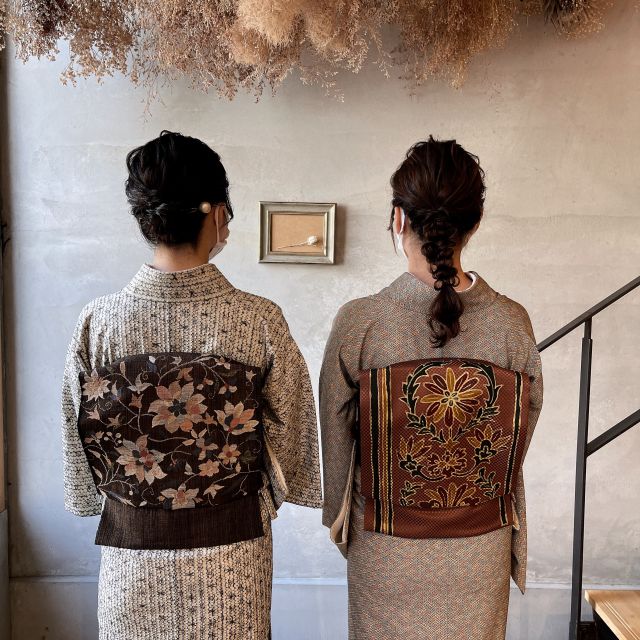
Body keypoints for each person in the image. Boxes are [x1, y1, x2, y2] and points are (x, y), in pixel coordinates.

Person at [61, 130, 322, 639]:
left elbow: (79, 436)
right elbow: (290, 431)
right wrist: (255, 499)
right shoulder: (258, 319)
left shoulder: (98, 322)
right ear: (218, 213)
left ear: (144, 219)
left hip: (132, 554)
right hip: (231, 553)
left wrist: (106, 500)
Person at [319, 136, 544, 640]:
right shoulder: (512, 323)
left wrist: (340, 518)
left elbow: (336, 440)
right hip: (479, 544)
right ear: (474, 224)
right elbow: (518, 434)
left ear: (398, 219)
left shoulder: (361, 323)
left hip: (386, 544)